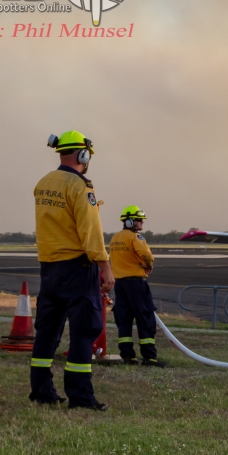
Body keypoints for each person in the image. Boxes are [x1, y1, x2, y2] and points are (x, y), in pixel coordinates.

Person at [30, 131, 113, 411]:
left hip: (49, 269)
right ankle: (80, 397)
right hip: (78, 268)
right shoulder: (80, 186)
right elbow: (90, 231)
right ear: (83, 154)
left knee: (47, 331)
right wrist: (105, 268)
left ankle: (41, 392)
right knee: (84, 331)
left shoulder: (44, 183)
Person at [108, 206, 166, 367]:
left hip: (120, 284)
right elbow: (146, 255)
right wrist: (149, 264)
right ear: (130, 221)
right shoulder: (136, 237)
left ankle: (127, 356)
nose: (141, 223)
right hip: (136, 283)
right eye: (140, 220)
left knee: (124, 320)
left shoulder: (114, 238)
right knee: (145, 318)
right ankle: (149, 357)